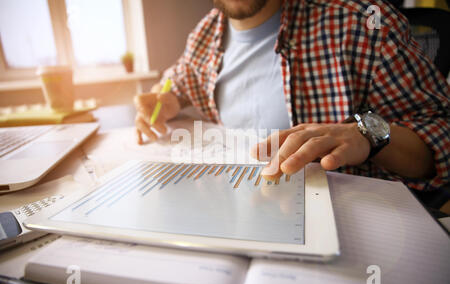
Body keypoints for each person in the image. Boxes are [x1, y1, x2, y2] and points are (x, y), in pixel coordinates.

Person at [134, 0, 449, 194]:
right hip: (238, 205)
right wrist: (166, 100)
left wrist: (366, 134)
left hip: (343, 228)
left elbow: (442, 135)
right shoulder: (205, 33)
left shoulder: (361, 25)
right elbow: (181, 80)